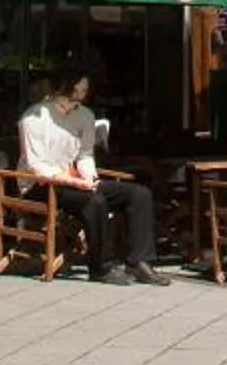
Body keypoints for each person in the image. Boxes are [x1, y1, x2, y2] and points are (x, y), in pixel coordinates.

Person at [17, 71, 165, 285]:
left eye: (85, 89)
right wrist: (73, 181)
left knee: (139, 194)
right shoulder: (35, 116)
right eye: (77, 89)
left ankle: (140, 262)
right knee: (94, 201)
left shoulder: (85, 115)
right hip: (41, 184)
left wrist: (89, 177)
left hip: (75, 180)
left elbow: (85, 154)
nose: (82, 93)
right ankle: (101, 267)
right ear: (63, 87)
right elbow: (36, 164)